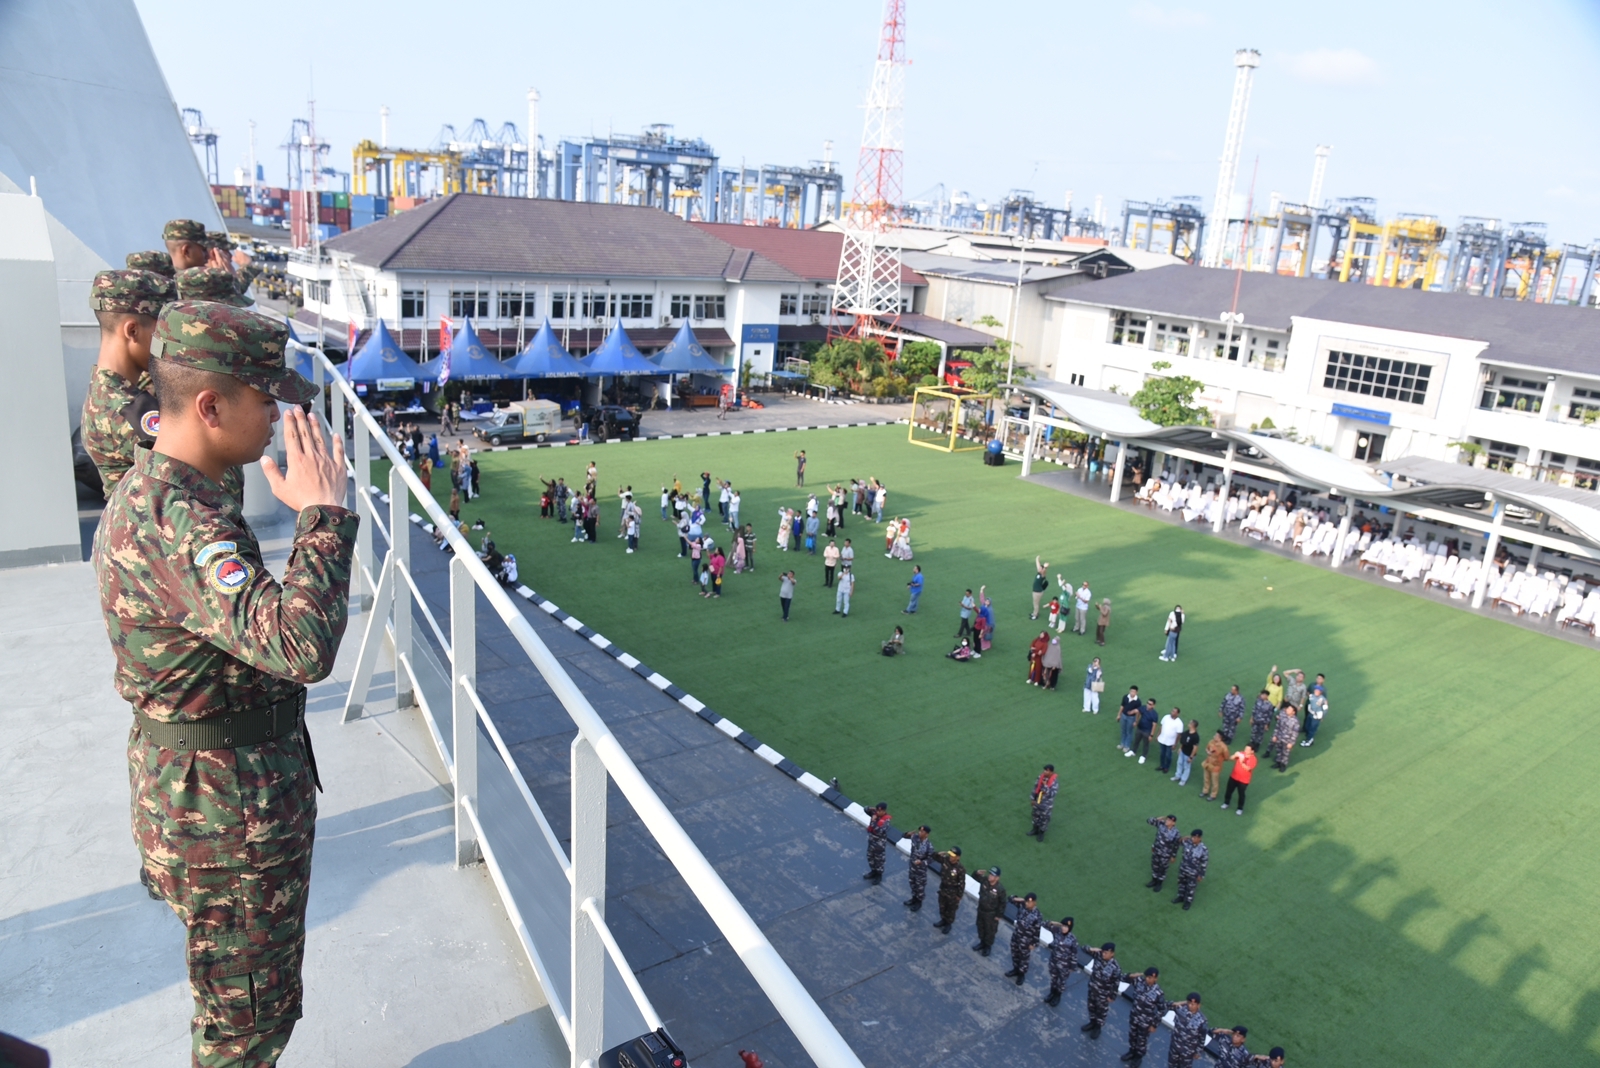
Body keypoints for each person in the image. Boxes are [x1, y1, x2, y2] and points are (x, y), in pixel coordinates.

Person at [94, 301, 354, 1067]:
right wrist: (323, 516)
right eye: (264, 396)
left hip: (201, 791)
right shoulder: (185, 521)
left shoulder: (164, 491)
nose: (278, 413)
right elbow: (300, 645)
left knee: (237, 1002)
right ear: (211, 406)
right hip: (224, 815)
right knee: (245, 1025)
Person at [1124, 966, 1166, 1064]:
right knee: (1132, 1036)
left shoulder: (1158, 993)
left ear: (1156, 979)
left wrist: (1154, 1024)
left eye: (1151, 978)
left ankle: (1138, 1057)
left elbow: (1162, 1009)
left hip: (1146, 1021)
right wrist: (1131, 975)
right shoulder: (1139, 982)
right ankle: (1132, 1052)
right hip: (1134, 1016)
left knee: (1141, 1040)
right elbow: (1122, 978)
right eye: (1147, 977)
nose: (1148, 979)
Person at [1081, 943, 1123, 1037]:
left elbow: (1115, 983)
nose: (1104, 954)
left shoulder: (1115, 967)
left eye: (1106, 952)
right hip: (1092, 988)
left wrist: (1112, 996)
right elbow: (1083, 948)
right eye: (1103, 952)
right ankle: (1092, 1023)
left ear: (1112, 954)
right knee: (1091, 1007)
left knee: (1101, 1011)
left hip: (1103, 994)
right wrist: (1092, 949)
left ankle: (1098, 1028)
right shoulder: (1098, 955)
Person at [1041, 916, 1082, 1006]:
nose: (1064, 928)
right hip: (1054, 962)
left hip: (1064, 966)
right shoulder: (1057, 931)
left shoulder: (1072, 939)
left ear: (1070, 928)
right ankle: (1052, 993)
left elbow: (1074, 954)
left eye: (1066, 927)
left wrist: (1072, 967)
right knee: (1054, 979)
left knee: (1061, 982)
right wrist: (1058, 923)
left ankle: (1057, 996)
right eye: (1063, 926)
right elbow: (1044, 924)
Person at [1004, 893, 1042, 985]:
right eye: (1026, 902)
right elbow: (1011, 898)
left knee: (1023, 959)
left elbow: (1037, 931)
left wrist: (1034, 944)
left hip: (1026, 941)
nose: (1027, 904)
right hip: (1016, 936)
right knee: (1015, 954)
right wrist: (1022, 900)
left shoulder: (1037, 915)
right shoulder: (1022, 906)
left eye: (1029, 902)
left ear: (1034, 903)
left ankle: (1021, 974)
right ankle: (1015, 970)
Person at [1164, 994, 1210, 1067]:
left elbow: (1202, 1038)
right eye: (1189, 1003)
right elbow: (1165, 1005)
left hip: (1187, 1052)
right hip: (1175, 1046)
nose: (1190, 1006)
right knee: (1171, 1065)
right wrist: (1178, 1003)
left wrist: (1198, 1052)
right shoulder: (1180, 1008)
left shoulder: (1202, 1020)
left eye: (1193, 1004)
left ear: (1198, 1005)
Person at [932, 846, 965, 934]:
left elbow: (962, 883)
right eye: (950, 855)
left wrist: (959, 895)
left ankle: (948, 924)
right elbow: (934, 857)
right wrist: (937, 854)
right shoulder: (945, 860)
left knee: (951, 909)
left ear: (958, 857)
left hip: (952, 892)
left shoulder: (960, 869)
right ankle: (943, 920)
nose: (951, 857)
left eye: (953, 856)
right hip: (943, 888)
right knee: (942, 906)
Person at [972, 866, 1005, 955]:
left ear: (997, 878)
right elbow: (975, 877)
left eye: (993, 875)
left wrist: (999, 915)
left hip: (991, 914)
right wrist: (977, 873)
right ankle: (982, 943)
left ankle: (987, 946)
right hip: (981, 910)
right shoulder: (985, 881)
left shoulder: (1000, 889)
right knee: (980, 927)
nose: (990, 876)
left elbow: (1002, 903)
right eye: (990, 874)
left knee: (990, 931)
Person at [1173, 830, 1208, 910]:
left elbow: (1204, 863)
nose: (1193, 839)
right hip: (1183, 868)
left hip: (1193, 872)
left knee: (1190, 887)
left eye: (1195, 837)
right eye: (1192, 837)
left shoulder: (1203, 849)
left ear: (1200, 838)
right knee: (1181, 883)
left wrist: (1201, 874)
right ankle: (1180, 897)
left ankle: (1188, 902)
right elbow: (1177, 842)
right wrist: (1185, 837)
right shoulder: (1187, 842)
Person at [1145, 815, 1181, 892]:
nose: (1167, 821)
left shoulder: (1176, 832)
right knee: (1155, 865)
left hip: (1166, 854)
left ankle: (1159, 883)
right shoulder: (1161, 824)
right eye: (1167, 819)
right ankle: (1154, 880)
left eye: (1169, 820)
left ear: (1173, 823)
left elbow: (1176, 845)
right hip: (1157, 850)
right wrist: (1156, 818)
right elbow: (1148, 821)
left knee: (1162, 868)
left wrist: (1173, 856)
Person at [901, 825, 932, 909]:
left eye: (922, 832)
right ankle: (913, 899)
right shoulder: (915, 837)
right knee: (912, 884)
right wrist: (908, 833)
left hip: (920, 871)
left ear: (927, 834)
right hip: (912, 867)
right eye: (920, 831)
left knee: (920, 887)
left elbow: (930, 859)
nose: (920, 833)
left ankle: (919, 902)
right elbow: (903, 836)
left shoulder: (928, 846)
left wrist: (921, 862)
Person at [1224, 746, 1257, 814]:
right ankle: (1226, 803)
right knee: (1229, 790)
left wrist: (1242, 762)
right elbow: (1230, 758)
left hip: (1243, 781)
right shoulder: (1241, 753)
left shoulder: (1253, 759)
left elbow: (1248, 768)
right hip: (1234, 776)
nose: (1245, 750)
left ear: (1252, 751)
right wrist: (1234, 755)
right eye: (1245, 748)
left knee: (1241, 794)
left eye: (1248, 749)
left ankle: (1240, 808)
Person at [863, 802, 891, 882]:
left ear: (884, 811)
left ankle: (879, 875)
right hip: (871, 841)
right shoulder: (875, 814)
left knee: (879, 860)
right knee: (870, 857)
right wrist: (872, 808)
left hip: (879, 844)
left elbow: (879, 831)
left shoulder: (886, 821)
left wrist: (873, 821)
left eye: (880, 811)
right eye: (877, 811)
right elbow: (865, 809)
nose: (878, 812)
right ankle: (873, 871)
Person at [1028, 765, 1058, 840]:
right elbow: (1035, 788)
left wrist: (1045, 786)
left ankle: (1041, 833)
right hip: (1037, 802)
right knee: (1035, 816)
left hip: (1046, 805)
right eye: (1044, 770)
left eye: (1046, 770)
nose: (1044, 772)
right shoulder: (1040, 777)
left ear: (1051, 772)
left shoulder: (1054, 783)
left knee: (1044, 819)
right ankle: (1035, 830)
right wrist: (1032, 799)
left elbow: (1052, 794)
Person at [1201, 732, 1230, 801]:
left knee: (1215, 781)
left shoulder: (1223, 747)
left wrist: (1219, 759)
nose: (1214, 736)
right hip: (1208, 763)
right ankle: (1205, 791)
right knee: (1206, 778)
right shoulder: (1211, 742)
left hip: (1216, 766)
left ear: (1220, 738)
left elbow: (1226, 757)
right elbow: (1207, 748)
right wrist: (1208, 752)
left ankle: (1213, 795)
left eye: (1216, 735)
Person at [1271, 703, 1300, 771]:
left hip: (1287, 740)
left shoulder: (1295, 721)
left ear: (1293, 712)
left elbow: (1295, 733)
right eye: (1288, 708)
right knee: (1278, 750)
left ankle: (1283, 765)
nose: (1287, 709)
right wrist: (1275, 735)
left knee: (1285, 753)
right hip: (1279, 737)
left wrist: (1291, 743)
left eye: (1289, 709)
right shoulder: (1283, 717)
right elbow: (1277, 727)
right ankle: (1278, 762)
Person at [1157, 707, 1184, 774]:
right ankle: (1162, 765)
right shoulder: (1166, 717)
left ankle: (1166, 767)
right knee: (1162, 754)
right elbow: (1161, 727)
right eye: (1172, 711)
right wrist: (1158, 735)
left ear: (1178, 714)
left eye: (1174, 711)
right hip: (1162, 739)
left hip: (1170, 742)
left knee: (1168, 755)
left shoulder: (1179, 723)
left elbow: (1178, 735)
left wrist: (1175, 744)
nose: (1172, 712)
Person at [1132, 698, 1159, 764]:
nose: (1148, 705)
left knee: (1145, 744)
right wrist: (1136, 721)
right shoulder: (1143, 708)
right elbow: (1138, 712)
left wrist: (1151, 735)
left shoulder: (1154, 714)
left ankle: (1143, 756)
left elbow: (1154, 725)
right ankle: (1133, 751)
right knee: (1136, 741)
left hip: (1147, 731)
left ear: (1153, 706)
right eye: (1147, 703)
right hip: (1140, 728)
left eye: (1150, 704)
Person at [1248, 690, 1276, 755]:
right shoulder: (1258, 701)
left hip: (1263, 722)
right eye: (1262, 694)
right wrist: (1251, 718)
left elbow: (1270, 715)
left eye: (1264, 695)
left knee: (1260, 734)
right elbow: (1254, 709)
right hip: (1255, 720)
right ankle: (1252, 743)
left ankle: (1257, 745)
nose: (1262, 696)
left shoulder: (1269, 705)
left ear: (1267, 696)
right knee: (1254, 732)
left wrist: (1267, 724)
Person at [1175, 719, 1201, 786]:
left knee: (1186, 767)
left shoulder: (1196, 736)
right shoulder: (1187, 732)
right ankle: (1178, 776)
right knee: (1179, 763)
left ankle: (1183, 780)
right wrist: (1180, 748)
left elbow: (1195, 748)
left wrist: (1191, 757)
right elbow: (1183, 741)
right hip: (1183, 752)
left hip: (1188, 754)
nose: (1188, 723)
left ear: (1193, 725)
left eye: (1190, 723)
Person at [1118, 685, 1141, 754]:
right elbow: (1122, 706)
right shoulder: (1125, 697)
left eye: (1134, 692)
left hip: (1131, 718)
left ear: (1136, 692)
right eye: (1131, 691)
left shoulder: (1138, 701)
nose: (1132, 693)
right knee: (1123, 730)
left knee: (1129, 732)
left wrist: (1136, 721)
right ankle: (1122, 743)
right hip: (1124, 715)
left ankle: (1127, 746)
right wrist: (1119, 715)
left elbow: (1138, 712)